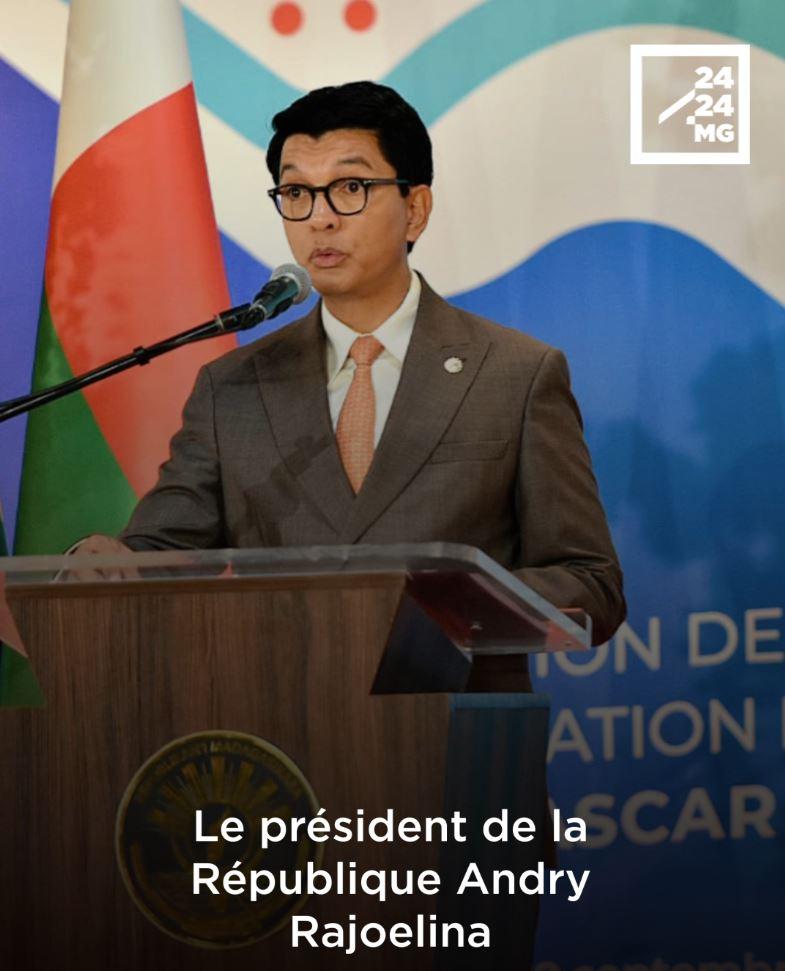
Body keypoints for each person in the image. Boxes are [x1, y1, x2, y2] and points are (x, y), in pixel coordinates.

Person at [76, 81, 625, 644]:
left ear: (415, 210)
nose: (320, 218)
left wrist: (443, 606)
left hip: (448, 696)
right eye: (297, 192)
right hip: (277, 697)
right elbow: (155, 556)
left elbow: (590, 583)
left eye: (350, 187)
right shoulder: (232, 388)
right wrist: (103, 564)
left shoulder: (515, 374)